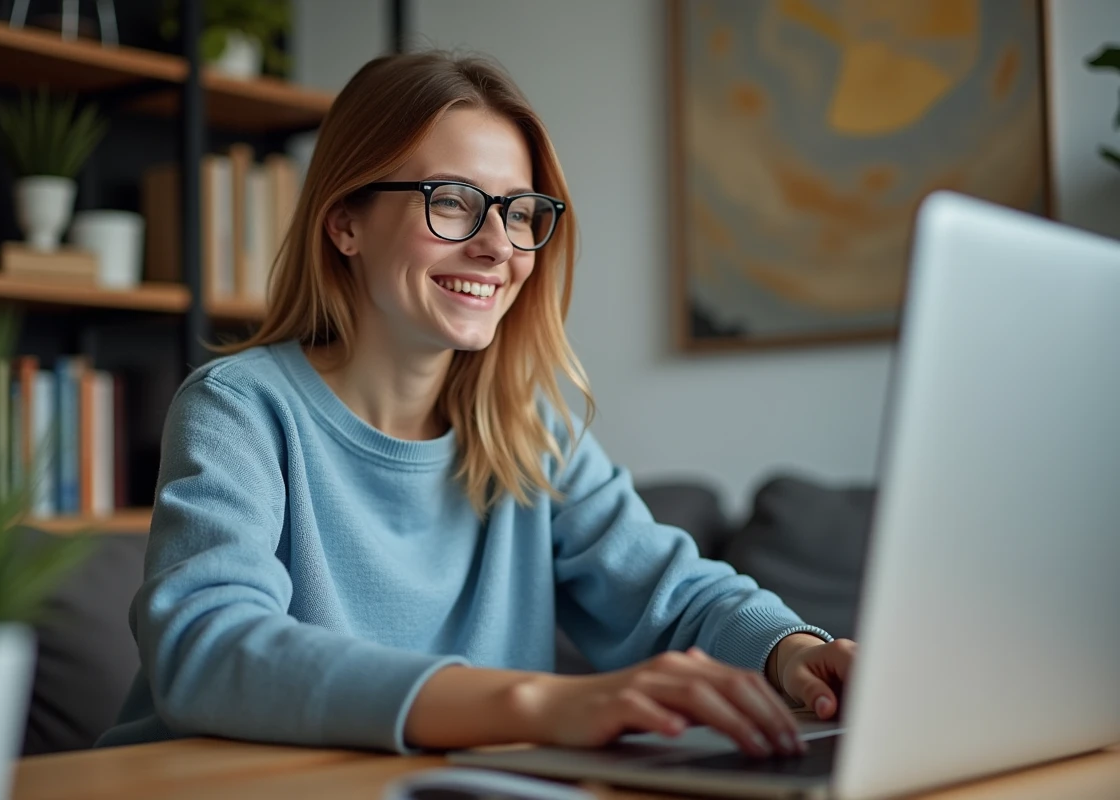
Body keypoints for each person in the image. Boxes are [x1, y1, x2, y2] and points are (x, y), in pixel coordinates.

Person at [97, 51, 856, 759]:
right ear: (345, 223)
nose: (500, 246)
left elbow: (673, 596)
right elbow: (207, 647)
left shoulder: (530, 429)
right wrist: (537, 703)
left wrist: (792, 653)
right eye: (453, 202)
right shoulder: (240, 408)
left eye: (521, 211)